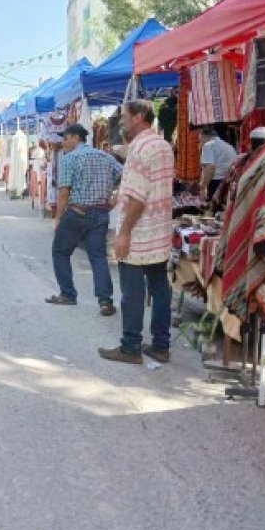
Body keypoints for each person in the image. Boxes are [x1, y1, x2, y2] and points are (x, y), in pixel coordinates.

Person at [99, 101, 174, 365]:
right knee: (160, 288)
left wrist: (124, 234)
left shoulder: (140, 149)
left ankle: (130, 347)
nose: (121, 122)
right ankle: (161, 346)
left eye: (124, 118)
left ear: (139, 117)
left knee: (132, 292)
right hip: (160, 231)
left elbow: (138, 198)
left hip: (140, 233)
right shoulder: (163, 145)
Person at [45, 124, 123, 315]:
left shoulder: (69, 158)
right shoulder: (104, 156)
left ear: (74, 138)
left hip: (77, 213)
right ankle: (105, 301)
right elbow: (126, 175)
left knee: (60, 252)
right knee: (98, 257)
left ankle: (68, 294)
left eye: (65, 139)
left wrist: (58, 219)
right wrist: (115, 198)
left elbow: (64, 192)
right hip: (100, 213)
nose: (63, 143)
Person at [199, 128, 237, 201]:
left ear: (204, 136)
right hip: (228, 181)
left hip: (216, 183)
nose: (200, 142)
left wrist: (203, 188)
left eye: (200, 139)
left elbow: (209, 167)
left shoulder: (208, 145)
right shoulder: (228, 146)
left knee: (212, 209)